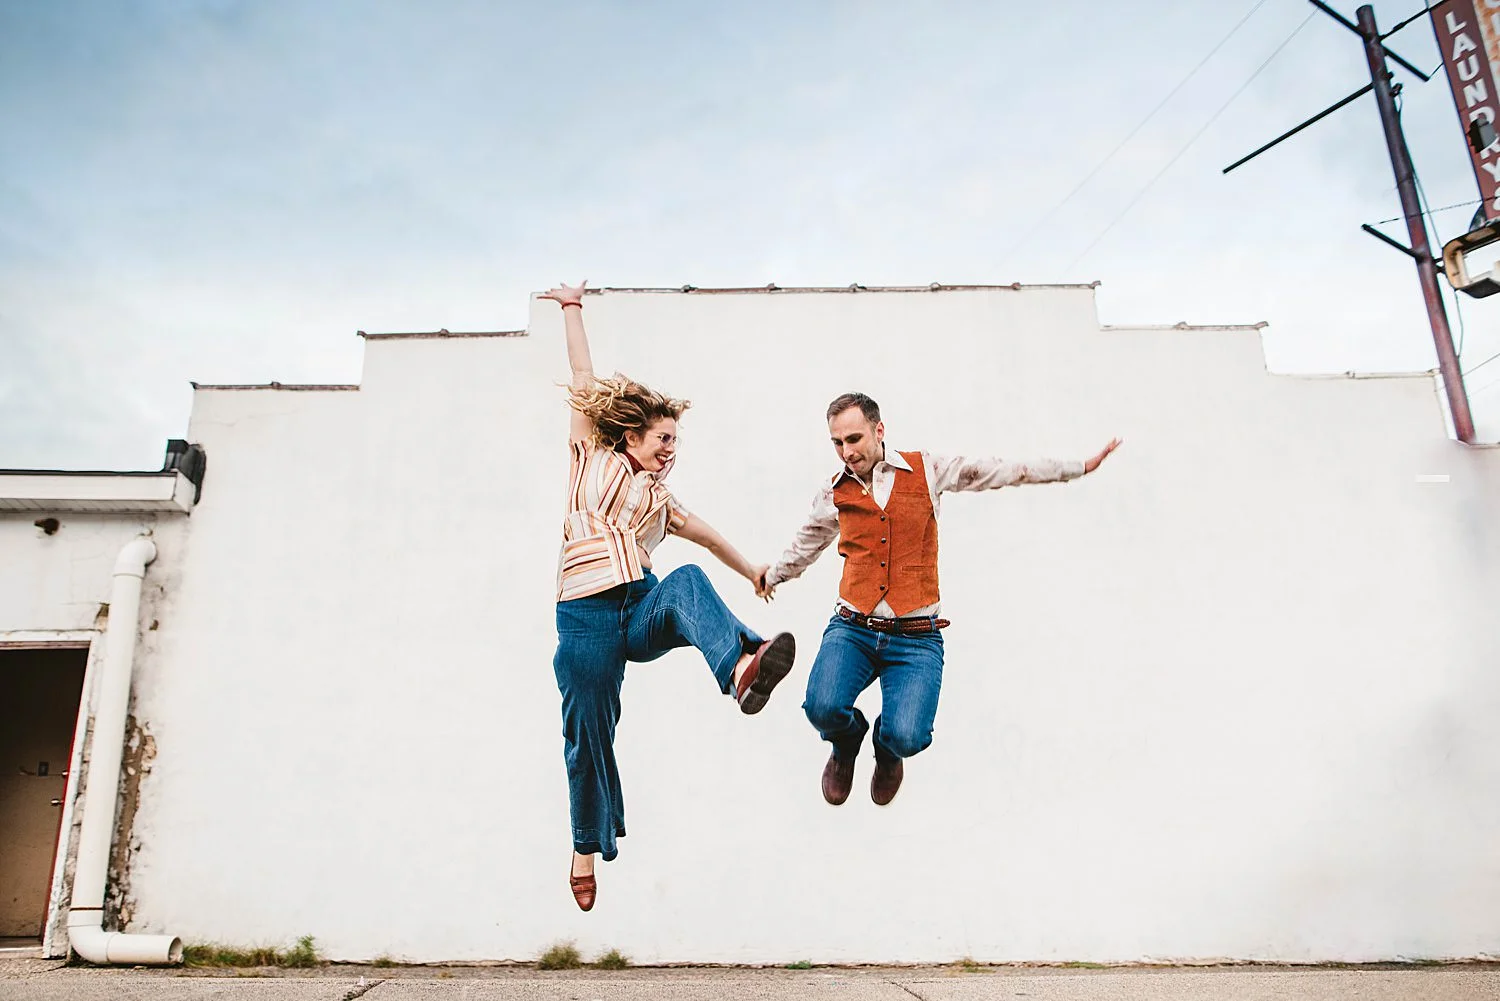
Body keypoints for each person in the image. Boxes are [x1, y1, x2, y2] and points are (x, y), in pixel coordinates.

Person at [542, 280, 795, 913]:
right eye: (663, 440)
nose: (671, 450)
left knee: (684, 580)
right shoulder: (589, 455)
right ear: (631, 436)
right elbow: (582, 375)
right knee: (589, 734)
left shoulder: (661, 499)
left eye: (676, 442)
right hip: (586, 615)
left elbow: (705, 537)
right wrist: (573, 307)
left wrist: (753, 571)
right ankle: (583, 848)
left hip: (640, 609)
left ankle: (740, 666)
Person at [757, 392, 1119, 807]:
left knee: (908, 735)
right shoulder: (834, 492)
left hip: (916, 638)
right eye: (837, 443)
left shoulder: (926, 470)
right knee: (821, 707)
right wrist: (774, 576)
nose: (847, 452)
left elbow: (1001, 471)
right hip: (853, 629)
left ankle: (887, 750)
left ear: (879, 430)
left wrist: (1078, 467)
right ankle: (846, 743)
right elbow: (807, 542)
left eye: (854, 439)